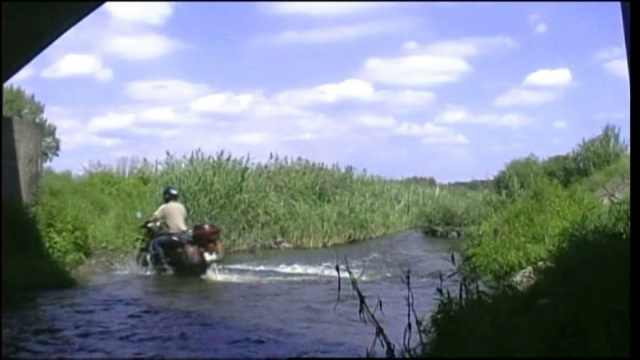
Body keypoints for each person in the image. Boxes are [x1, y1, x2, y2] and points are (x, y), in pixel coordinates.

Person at [147, 186, 189, 271]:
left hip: (174, 235)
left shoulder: (164, 207)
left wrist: (147, 221)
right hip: (185, 235)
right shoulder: (182, 207)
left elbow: (153, 218)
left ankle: (162, 265)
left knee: (155, 242)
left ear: (166, 196)